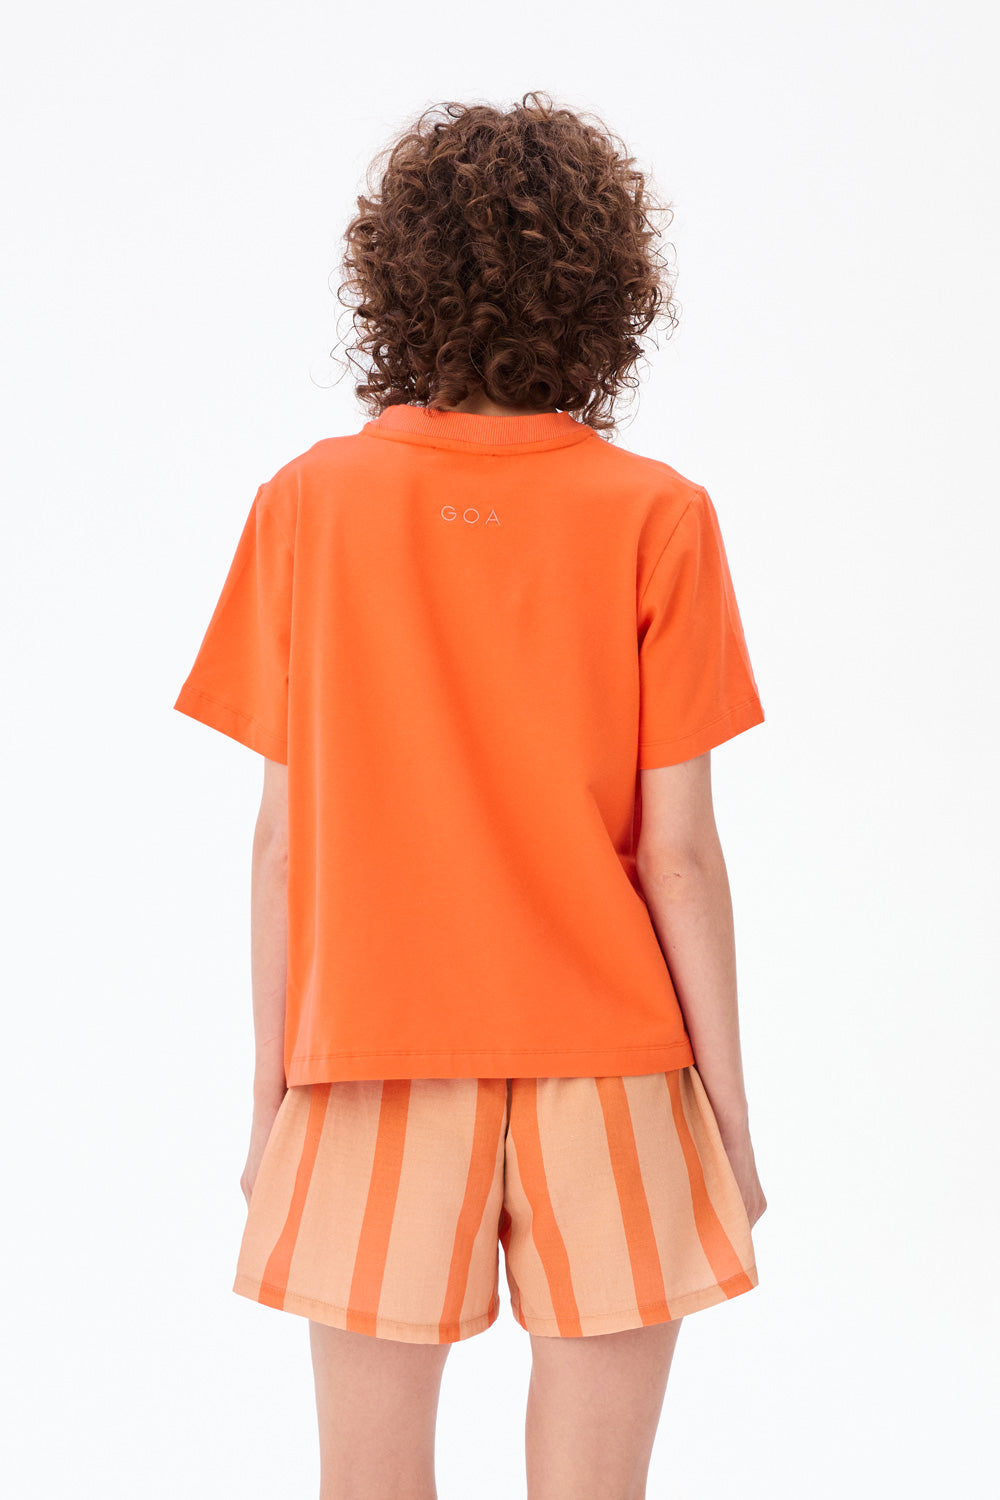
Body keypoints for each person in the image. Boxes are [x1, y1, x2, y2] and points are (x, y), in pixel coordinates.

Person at [173, 89, 768, 1500]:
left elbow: (283, 845)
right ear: (607, 290)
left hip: (367, 1059)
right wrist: (731, 1114)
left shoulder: (311, 505)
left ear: (396, 281)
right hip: (614, 1065)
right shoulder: (657, 515)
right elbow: (679, 857)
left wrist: (267, 1101)